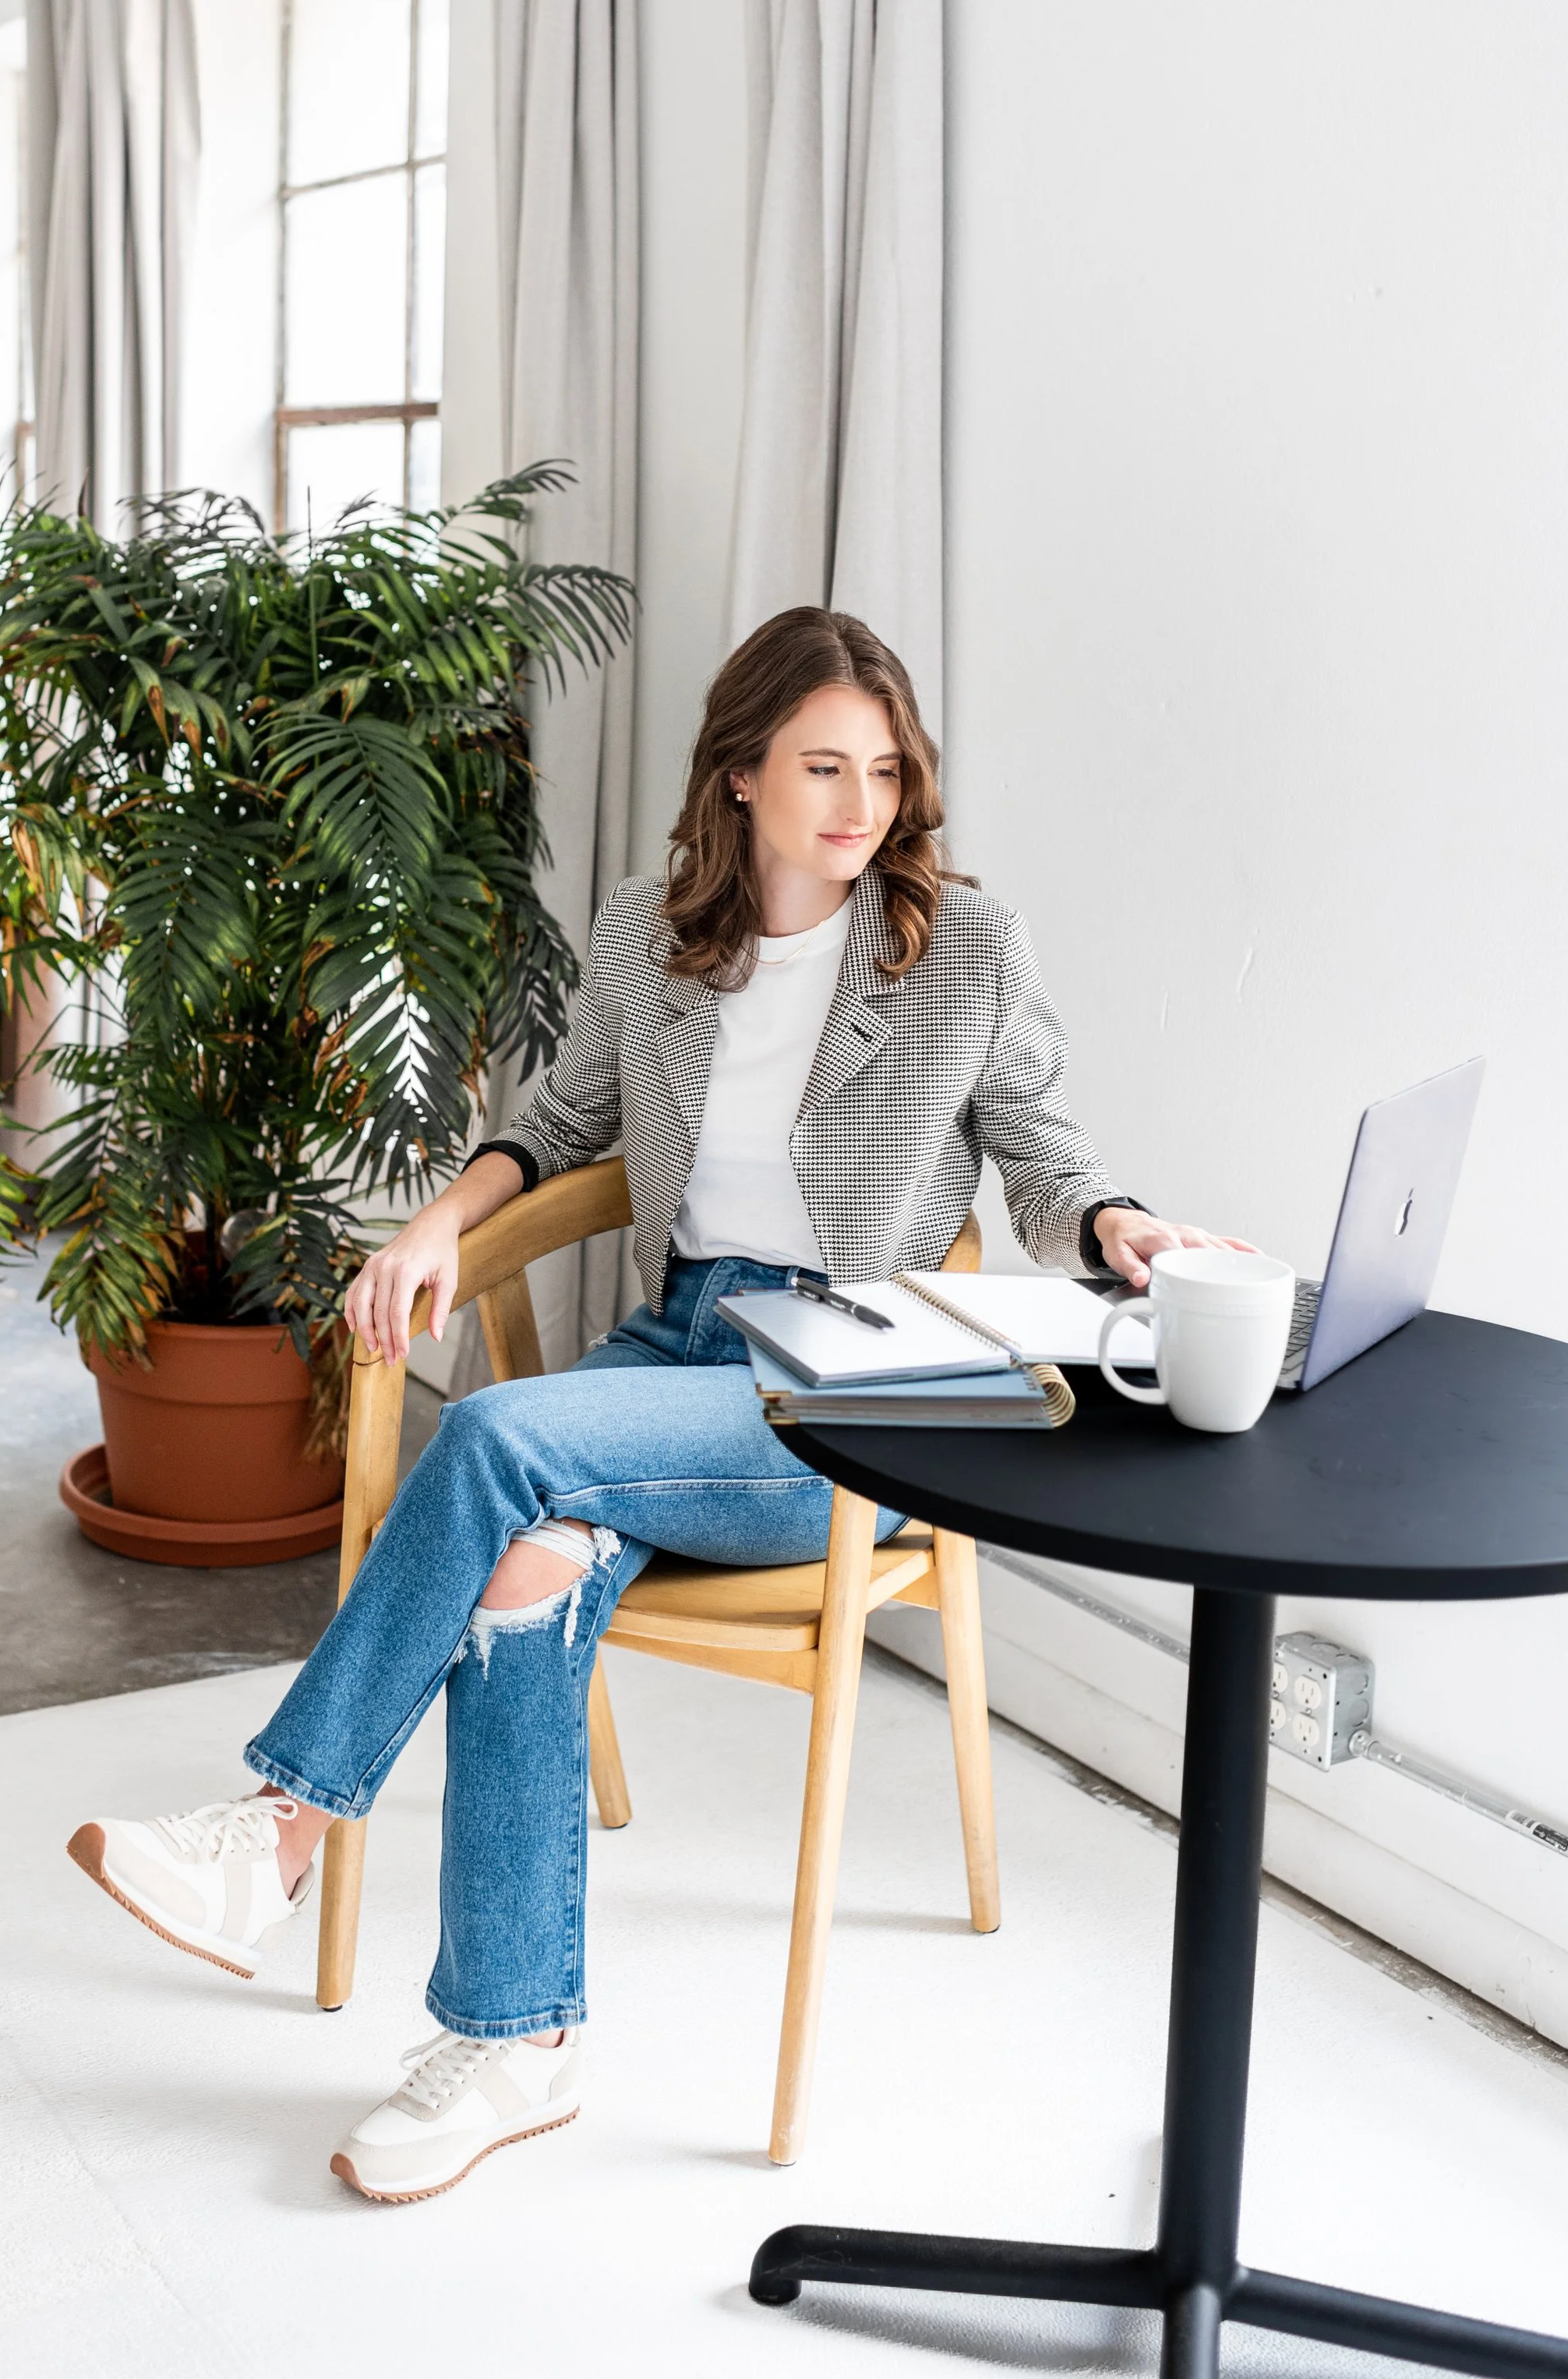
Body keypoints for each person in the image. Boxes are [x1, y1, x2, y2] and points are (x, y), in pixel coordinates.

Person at [69, 607, 1248, 2204]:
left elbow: (1045, 1155)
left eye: (883, 770)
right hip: (675, 1350)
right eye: (822, 767)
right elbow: (558, 1120)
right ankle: (514, 2046)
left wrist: (1122, 1229)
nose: (859, 804)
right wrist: (436, 1224)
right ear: (741, 773)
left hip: (850, 1394)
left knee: (496, 1434)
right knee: (521, 1571)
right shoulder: (652, 930)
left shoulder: (963, 948)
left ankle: (274, 1833)